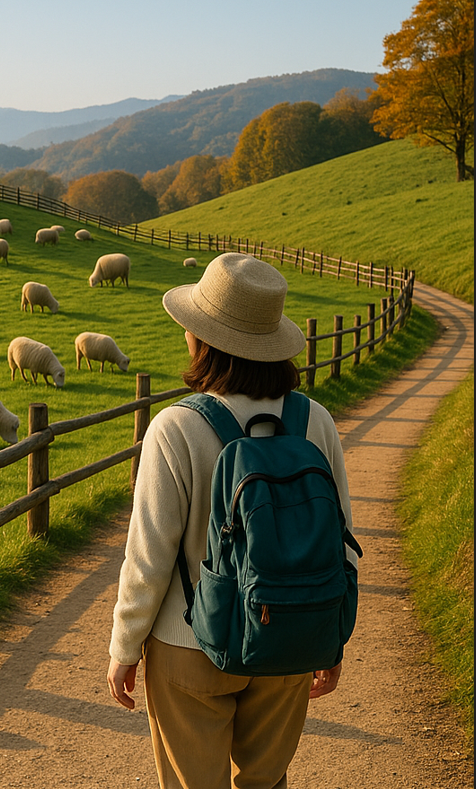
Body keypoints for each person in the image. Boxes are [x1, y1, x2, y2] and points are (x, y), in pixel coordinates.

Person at [107, 252, 358, 789]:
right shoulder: (315, 420)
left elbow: (148, 557)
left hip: (188, 640)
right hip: (289, 634)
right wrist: (330, 639)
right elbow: (340, 543)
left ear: (204, 340)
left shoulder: (175, 428)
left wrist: (124, 648)